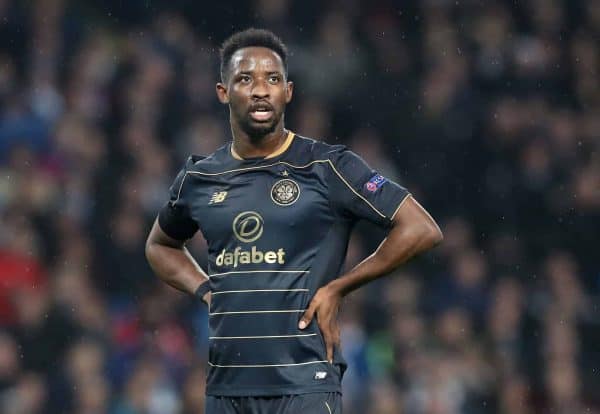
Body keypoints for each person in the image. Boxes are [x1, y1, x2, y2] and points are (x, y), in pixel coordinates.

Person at [145, 28, 443, 414]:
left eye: (272, 79)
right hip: (226, 385)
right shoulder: (201, 177)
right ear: (223, 91)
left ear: (288, 91)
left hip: (305, 383)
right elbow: (160, 245)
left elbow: (421, 229)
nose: (260, 89)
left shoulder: (327, 166)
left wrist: (341, 287)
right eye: (245, 79)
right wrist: (205, 291)